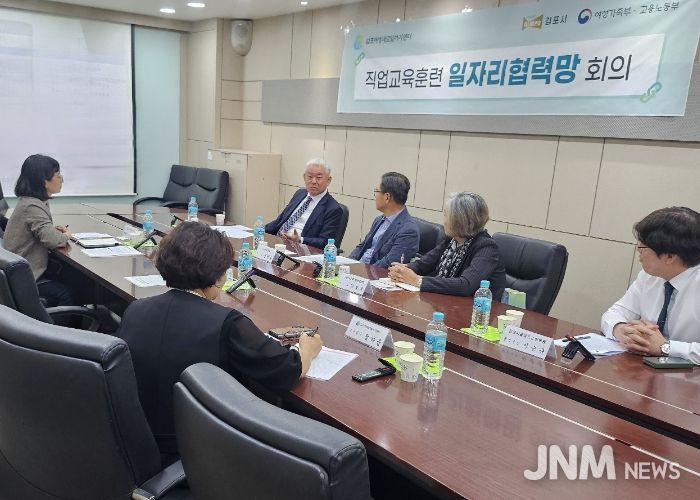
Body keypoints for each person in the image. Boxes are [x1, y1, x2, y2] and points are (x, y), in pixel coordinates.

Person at [116, 221, 323, 454]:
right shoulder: (227, 323)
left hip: (134, 440)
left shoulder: (135, 309)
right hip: (200, 448)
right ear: (217, 278)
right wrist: (307, 348)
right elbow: (286, 370)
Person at [601, 207, 700, 364]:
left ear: (670, 257)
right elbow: (615, 312)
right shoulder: (650, 276)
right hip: (644, 370)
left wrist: (665, 347)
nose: (638, 250)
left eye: (644, 246)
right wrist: (620, 329)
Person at [388, 192, 505, 298]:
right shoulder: (452, 240)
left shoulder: (487, 247)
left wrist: (418, 280)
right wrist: (403, 270)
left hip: (475, 310)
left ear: (460, 221)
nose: (444, 221)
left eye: (446, 216)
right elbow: (423, 264)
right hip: (444, 302)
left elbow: (465, 285)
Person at [3, 154, 73, 306]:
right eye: (58, 175)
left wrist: (51, 230)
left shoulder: (32, 202)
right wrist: (67, 235)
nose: (62, 179)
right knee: (69, 292)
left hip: (19, 273)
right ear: (44, 181)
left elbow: (41, 231)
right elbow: (53, 241)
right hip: (25, 278)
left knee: (72, 279)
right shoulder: (32, 206)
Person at [265, 158, 343, 248]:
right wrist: (259, 230)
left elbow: (325, 242)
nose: (313, 181)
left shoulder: (333, 209)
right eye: (309, 177)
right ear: (304, 177)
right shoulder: (299, 194)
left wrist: (300, 239)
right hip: (278, 243)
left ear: (328, 180)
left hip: (301, 249)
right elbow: (280, 221)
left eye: (318, 178)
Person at [349, 172, 419, 268]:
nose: (375, 196)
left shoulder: (408, 231)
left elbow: (388, 264)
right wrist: (347, 264)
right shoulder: (379, 220)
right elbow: (362, 247)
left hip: (372, 273)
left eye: (376, 191)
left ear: (387, 197)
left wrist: (359, 271)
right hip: (357, 270)